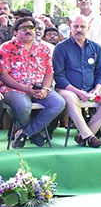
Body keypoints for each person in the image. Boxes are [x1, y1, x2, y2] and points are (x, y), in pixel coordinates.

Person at [0, 16, 66, 148]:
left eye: (31, 28)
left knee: (59, 102)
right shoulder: (6, 48)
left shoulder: (44, 49)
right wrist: (25, 89)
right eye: (24, 28)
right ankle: (34, 134)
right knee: (24, 107)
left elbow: (49, 72)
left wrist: (45, 89)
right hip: (13, 89)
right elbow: (3, 75)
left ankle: (25, 133)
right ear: (15, 32)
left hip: (38, 88)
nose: (28, 31)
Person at [52, 15, 101, 148]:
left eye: (82, 27)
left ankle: (83, 135)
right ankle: (89, 137)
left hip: (91, 90)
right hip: (68, 89)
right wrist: (77, 91)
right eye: (76, 26)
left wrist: (97, 89)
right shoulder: (61, 47)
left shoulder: (96, 48)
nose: (79, 29)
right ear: (70, 27)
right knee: (70, 98)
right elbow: (59, 75)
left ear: (88, 28)